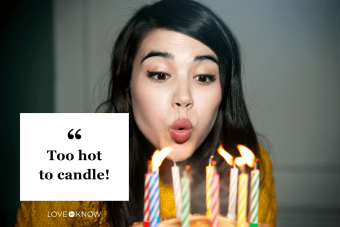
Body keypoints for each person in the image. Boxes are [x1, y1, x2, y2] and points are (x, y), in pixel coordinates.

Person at [15, 0, 276, 226]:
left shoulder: (249, 164)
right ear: (127, 87)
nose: (183, 98)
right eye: (160, 75)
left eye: (204, 77)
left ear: (224, 91)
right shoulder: (69, 154)